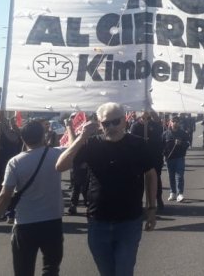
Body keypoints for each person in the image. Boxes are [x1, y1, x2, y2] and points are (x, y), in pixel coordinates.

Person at [55, 102, 158, 276]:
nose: (111, 126)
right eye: (105, 123)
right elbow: (60, 166)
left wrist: (152, 208)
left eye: (115, 121)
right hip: (98, 221)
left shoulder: (138, 145)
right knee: (107, 272)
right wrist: (81, 137)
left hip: (129, 221)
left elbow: (151, 175)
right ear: (100, 124)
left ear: (124, 121)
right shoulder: (91, 144)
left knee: (124, 271)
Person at [0, 120, 64, 276]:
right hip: (52, 222)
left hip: (25, 223)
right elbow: (74, 146)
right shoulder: (57, 154)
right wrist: (69, 127)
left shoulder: (15, 162)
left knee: (23, 270)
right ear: (43, 136)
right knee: (51, 268)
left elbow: (4, 196)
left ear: (22, 138)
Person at [129, 110, 165, 211]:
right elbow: (132, 141)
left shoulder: (154, 124)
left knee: (156, 178)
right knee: (139, 180)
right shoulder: (135, 126)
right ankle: (139, 202)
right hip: (140, 157)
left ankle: (158, 198)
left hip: (154, 157)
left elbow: (158, 121)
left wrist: (149, 108)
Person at [163, 116, 190, 201]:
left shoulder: (183, 133)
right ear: (170, 122)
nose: (175, 122)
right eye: (173, 121)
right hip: (169, 158)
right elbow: (161, 146)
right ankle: (173, 193)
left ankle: (180, 194)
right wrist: (164, 155)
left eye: (177, 121)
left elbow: (188, 144)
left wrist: (181, 143)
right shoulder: (165, 134)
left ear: (179, 123)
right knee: (171, 176)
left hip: (179, 157)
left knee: (179, 176)